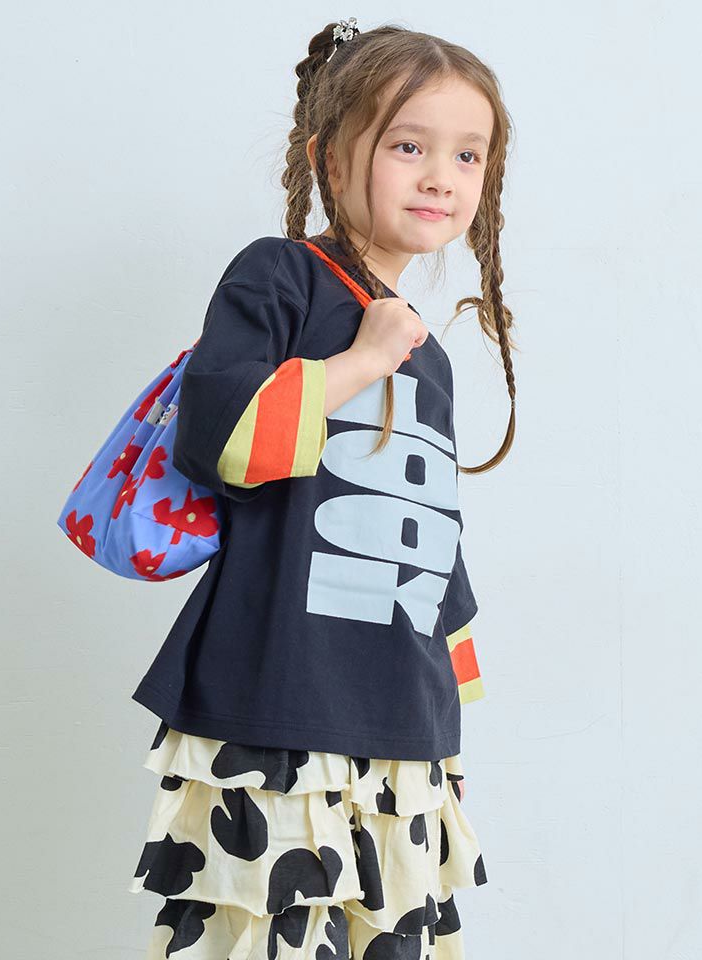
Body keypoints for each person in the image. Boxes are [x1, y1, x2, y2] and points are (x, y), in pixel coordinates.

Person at [128, 18, 517, 959]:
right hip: (274, 708)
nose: (441, 177)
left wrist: (446, 729)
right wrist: (360, 360)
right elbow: (219, 440)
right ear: (328, 158)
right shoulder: (280, 277)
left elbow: (432, 542)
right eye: (408, 145)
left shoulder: (426, 355)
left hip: (401, 728)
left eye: (468, 154)